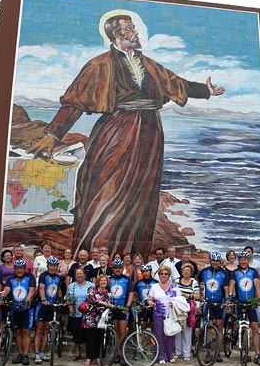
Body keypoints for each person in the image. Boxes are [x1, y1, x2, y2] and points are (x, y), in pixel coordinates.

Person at [28, 13, 225, 257]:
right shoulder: (99, 65)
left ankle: (130, 254)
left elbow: (176, 83)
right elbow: (74, 103)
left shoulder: (148, 64)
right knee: (105, 187)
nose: (135, 33)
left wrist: (205, 91)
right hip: (117, 130)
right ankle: (92, 251)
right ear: (117, 34)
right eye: (130, 29)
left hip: (150, 134)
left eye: (134, 28)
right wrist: (53, 134)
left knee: (141, 193)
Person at [227, 251, 260, 366]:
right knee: (242, 328)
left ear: (249, 260)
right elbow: (232, 284)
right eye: (241, 260)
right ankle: (245, 352)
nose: (243, 261)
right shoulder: (235, 272)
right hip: (239, 303)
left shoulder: (253, 272)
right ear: (239, 261)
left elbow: (257, 285)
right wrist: (229, 297)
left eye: (245, 259)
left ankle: (258, 354)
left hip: (251, 304)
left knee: (255, 328)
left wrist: (258, 298)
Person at [0, 259, 36, 366]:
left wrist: (28, 299)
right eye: (17, 269)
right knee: (18, 332)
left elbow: (32, 290)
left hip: (27, 309)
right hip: (15, 308)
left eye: (21, 268)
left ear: (24, 269)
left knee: (26, 331)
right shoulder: (11, 279)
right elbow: (6, 289)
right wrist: (2, 297)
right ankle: (20, 354)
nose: (19, 270)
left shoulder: (29, 277)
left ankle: (25, 354)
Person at [147, 265, 182, 365]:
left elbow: (180, 299)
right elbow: (150, 299)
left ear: (169, 275)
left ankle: (170, 355)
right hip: (158, 314)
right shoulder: (154, 287)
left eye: (165, 274)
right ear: (159, 275)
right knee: (159, 335)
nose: (163, 275)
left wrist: (174, 303)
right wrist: (151, 303)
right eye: (161, 274)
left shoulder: (174, 287)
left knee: (171, 334)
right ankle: (161, 355)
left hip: (171, 314)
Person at [198, 251, 229, 362]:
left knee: (219, 326)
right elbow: (200, 284)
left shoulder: (224, 273)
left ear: (220, 261)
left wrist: (226, 301)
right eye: (213, 260)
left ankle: (218, 352)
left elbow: (226, 289)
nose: (215, 262)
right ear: (210, 260)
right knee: (208, 326)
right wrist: (201, 296)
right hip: (208, 302)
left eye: (217, 260)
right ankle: (208, 352)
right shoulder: (205, 272)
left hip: (219, 302)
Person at [34, 256, 62, 364]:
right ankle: (36, 353)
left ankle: (42, 351)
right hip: (42, 305)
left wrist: (60, 298)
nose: (53, 268)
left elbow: (58, 289)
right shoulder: (43, 275)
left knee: (46, 329)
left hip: (51, 306)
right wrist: (43, 299)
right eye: (51, 265)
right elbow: (41, 288)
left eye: (55, 266)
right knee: (39, 329)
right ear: (48, 266)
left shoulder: (58, 278)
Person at [82, 274, 114, 366]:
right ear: (98, 282)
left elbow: (111, 304)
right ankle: (88, 358)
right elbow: (91, 300)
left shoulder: (109, 293)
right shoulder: (92, 291)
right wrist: (103, 303)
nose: (103, 282)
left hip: (103, 318)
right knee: (91, 339)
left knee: (99, 339)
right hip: (91, 318)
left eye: (105, 280)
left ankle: (97, 357)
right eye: (101, 280)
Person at [108, 259, 134, 365]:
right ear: (113, 269)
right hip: (113, 308)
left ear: (122, 268)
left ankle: (122, 354)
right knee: (115, 331)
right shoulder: (109, 279)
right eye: (115, 268)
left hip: (123, 308)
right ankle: (117, 353)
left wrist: (127, 306)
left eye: (119, 268)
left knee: (123, 332)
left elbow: (131, 293)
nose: (117, 269)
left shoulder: (127, 279)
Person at [66, 268, 95, 361]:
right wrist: (70, 307)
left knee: (88, 334)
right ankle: (78, 352)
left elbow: (94, 297)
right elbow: (68, 298)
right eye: (77, 274)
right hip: (75, 313)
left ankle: (89, 354)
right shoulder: (71, 286)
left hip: (88, 313)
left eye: (81, 273)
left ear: (84, 275)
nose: (79, 275)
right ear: (75, 276)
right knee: (77, 333)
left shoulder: (91, 285)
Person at [174, 263, 200, 361]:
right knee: (178, 330)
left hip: (189, 308)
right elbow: (173, 292)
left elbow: (197, 296)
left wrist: (186, 295)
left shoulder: (194, 282)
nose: (186, 272)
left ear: (191, 272)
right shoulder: (176, 281)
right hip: (178, 308)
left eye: (188, 270)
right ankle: (178, 351)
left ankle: (186, 353)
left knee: (188, 330)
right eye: (184, 270)